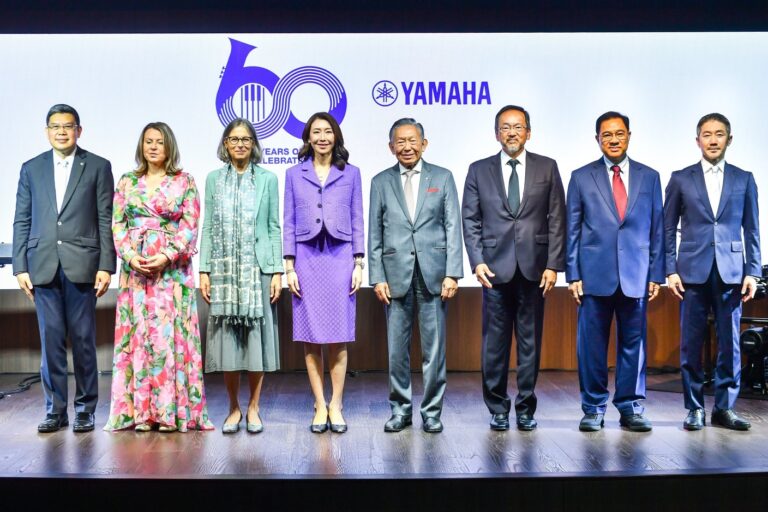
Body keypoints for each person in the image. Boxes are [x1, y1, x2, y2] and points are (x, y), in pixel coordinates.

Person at [462, 105, 566, 431]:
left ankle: (525, 408)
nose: (512, 133)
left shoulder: (547, 167)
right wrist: (477, 260)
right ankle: (496, 407)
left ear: (528, 133)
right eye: (505, 127)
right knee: (494, 344)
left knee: (529, 343)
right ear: (497, 134)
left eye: (518, 127)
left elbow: (557, 219)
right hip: (493, 269)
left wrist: (554, 264)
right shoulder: (479, 170)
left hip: (535, 269)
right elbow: (470, 219)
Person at [12, 104, 115, 433]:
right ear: (47, 131)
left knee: (83, 340)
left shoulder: (98, 166)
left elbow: (105, 219)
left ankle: (85, 408)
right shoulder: (31, 168)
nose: (61, 131)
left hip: (83, 264)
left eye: (67, 126)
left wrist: (106, 265)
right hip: (41, 265)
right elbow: (22, 219)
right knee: (51, 340)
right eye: (55, 126)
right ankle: (55, 410)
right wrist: (19, 266)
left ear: (78, 131)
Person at [105, 122, 213, 432]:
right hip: (136, 272)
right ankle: (141, 413)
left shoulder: (184, 181)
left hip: (171, 272)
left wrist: (166, 255)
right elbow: (117, 225)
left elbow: (190, 225)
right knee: (139, 336)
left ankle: (169, 412)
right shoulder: (127, 181)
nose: (153, 147)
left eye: (159, 142)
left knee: (167, 337)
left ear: (169, 147)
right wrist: (130, 256)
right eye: (148, 141)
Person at [566, 111, 664, 432]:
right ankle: (593, 408)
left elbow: (658, 229)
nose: (613, 139)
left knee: (633, 345)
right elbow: (572, 230)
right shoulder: (581, 177)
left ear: (629, 136)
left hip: (636, 274)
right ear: (597, 139)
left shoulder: (650, 177)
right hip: (594, 275)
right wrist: (573, 274)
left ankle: (631, 407)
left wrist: (656, 273)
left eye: (619, 133)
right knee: (591, 347)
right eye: (606, 135)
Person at [664, 113, 761, 431]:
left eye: (719, 134)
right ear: (698, 141)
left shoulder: (744, 178)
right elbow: (667, 229)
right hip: (691, 272)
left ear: (729, 139)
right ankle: (694, 408)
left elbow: (752, 229)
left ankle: (724, 408)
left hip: (731, 272)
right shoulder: (681, 178)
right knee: (691, 343)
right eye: (707, 134)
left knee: (730, 343)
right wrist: (669, 269)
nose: (713, 139)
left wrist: (753, 271)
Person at [369, 118, 463, 434]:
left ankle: (432, 412)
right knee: (397, 351)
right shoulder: (380, 182)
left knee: (434, 351)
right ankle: (400, 410)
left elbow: (453, 226)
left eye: (413, 141)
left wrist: (453, 273)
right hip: (394, 276)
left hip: (434, 275)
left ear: (424, 144)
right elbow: (374, 234)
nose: (407, 147)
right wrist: (377, 276)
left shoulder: (443, 177)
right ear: (391, 147)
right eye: (401, 141)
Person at [200, 118, 283, 434]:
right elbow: (208, 226)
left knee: (255, 343)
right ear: (225, 144)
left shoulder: (267, 179)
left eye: (246, 139)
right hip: (223, 273)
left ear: (254, 144)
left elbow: (273, 227)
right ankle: (234, 407)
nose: (240, 144)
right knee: (228, 343)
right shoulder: (213, 179)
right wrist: (204, 269)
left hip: (257, 271)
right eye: (234, 139)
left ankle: (254, 408)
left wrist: (276, 271)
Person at [283, 112, 364, 434]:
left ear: (336, 137)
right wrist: (289, 266)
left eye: (327, 132)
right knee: (310, 336)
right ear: (308, 138)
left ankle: (336, 403)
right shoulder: (293, 174)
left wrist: (359, 263)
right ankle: (319, 403)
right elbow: (289, 221)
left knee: (339, 335)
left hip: (340, 257)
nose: (322, 137)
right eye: (316, 132)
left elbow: (357, 218)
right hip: (306, 258)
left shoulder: (351, 173)